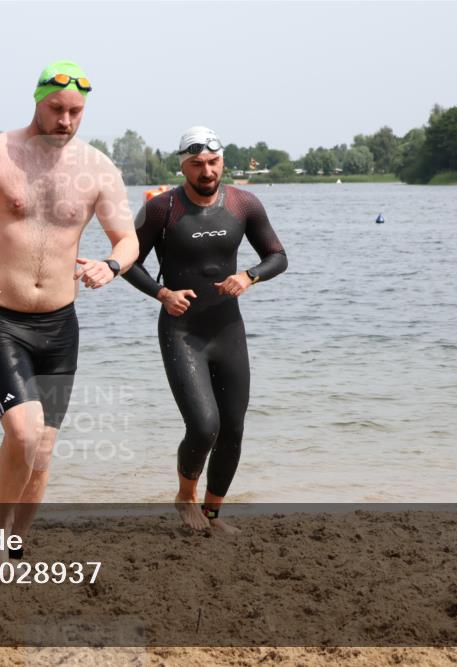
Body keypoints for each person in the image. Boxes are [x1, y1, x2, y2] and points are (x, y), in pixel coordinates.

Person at [0, 60, 138, 556]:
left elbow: (127, 238)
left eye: (76, 112)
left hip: (61, 325)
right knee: (23, 432)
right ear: (37, 102)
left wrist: (112, 264)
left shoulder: (98, 169)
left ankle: (16, 546)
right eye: (56, 109)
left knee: (42, 450)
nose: (65, 121)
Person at [123, 127, 287, 533]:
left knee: (233, 427)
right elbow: (128, 261)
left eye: (213, 162)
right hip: (183, 331)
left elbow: (277, 256)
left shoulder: (244, 203)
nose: (207, 170)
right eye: (197, 164)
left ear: (222, 162)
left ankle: (213, 515)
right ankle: (185, 498)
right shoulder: (162, 209)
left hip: (228, 329)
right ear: (183, 165)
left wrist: (249, 277)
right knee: (203, 426)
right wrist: (162, 293)